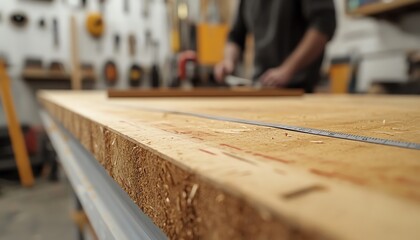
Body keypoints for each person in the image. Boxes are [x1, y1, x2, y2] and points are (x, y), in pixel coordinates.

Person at [214, 0, 336, 93]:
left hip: (300, 90)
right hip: (260, 87)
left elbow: (324, 25)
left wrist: (287, 70)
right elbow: (235, 36)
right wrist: (228, 61)